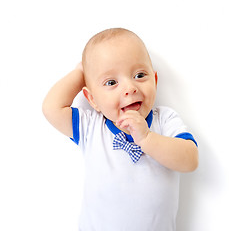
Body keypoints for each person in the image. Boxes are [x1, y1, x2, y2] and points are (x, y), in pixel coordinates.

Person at [42, 28, 198, 231]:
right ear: (92, 100)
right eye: (111, 82)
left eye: (140, 75)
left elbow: (190, 160)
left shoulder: (164, 120)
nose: (129, 88)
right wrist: (80, 72)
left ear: (155, 81)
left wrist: (147, 138)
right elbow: (51, 108)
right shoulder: (91, 127)